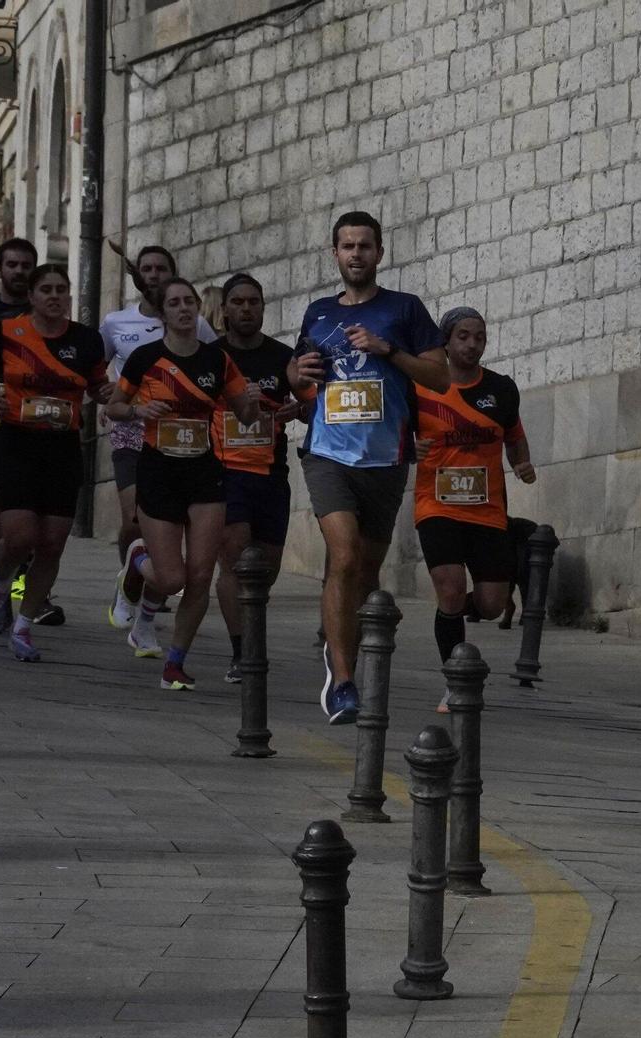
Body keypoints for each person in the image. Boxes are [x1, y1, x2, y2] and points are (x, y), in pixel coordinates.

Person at [287, 210, 448, 724]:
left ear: (380, 253)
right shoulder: (317, 313)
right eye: (346, 246)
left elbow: (440, 377)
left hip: (386, 459)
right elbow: (299, 380)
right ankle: (343, 679)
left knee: (363, 571)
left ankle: (340, 646)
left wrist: (388, 350)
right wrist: (298, 372)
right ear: (334, 254)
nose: (355, 254)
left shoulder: (405, 309)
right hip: (328, 453)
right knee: (345, 552)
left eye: (364, 246)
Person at [106, 277, 261, 689]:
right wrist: (140, 408)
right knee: (171, 579)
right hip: (158, 472)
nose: (184, 308)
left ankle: (174, 663)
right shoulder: (144, 358)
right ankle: (138, 560)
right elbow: (114, 406)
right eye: (174, 303)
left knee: (200, 575)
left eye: (189, 301)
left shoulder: (218, 360)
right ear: (163, 314)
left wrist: (252, 400)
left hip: (204, 472)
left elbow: (245, 416)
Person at [409, 306, 535, 706]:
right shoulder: (422, 389)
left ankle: (503, 557)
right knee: (449, 592)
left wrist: (521, 463)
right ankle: (454, 682)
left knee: (492, 605)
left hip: (487, 511)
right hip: (437, 507)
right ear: (445, 342)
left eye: (479, 336)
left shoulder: (500, 389)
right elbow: (397, 438)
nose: (472, 344)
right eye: (463, 336)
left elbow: (514, 435)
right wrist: (410, 449)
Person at [0, 264, 107, 660]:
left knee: (52, 543)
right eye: (46, 290)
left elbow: (99, 386)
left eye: (61, 289)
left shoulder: (86, 340)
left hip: (63, 449)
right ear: (33, 297)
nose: (55, 296)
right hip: (18, 444)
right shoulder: (6, 334)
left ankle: (23, 627)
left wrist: (118, 397)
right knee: (20, 537)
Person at [100, 245, 216, 630]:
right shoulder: (117, 322)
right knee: (133, 519)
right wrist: (110, 396)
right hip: (133, 431)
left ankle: (150, 602)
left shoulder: (195, 324)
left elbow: (217, 367)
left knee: (175, 533)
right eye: (147, 268)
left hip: (188, 441)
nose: (153, 274)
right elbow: (95, 369)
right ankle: (131, 580)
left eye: (161, 268)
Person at [210, 273, 299, 684]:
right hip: (225, 473)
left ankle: (251, 639)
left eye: (254, 302)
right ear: (224, 309)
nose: (247, 309)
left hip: (271, 473)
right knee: (235, 562)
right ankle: (240, 651)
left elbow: (313, 402)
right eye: (238, 302)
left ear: (263, 308)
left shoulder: (283, 357)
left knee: (265, 570)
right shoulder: (209, 357)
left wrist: (298, 410)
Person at [0, 238, 44, 621]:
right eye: (13, 264)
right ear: (0, 269)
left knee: (35, 516)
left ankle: (29, 590)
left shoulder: (46, 314)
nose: (20, 271)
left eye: (26, 265)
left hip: (38, 425)